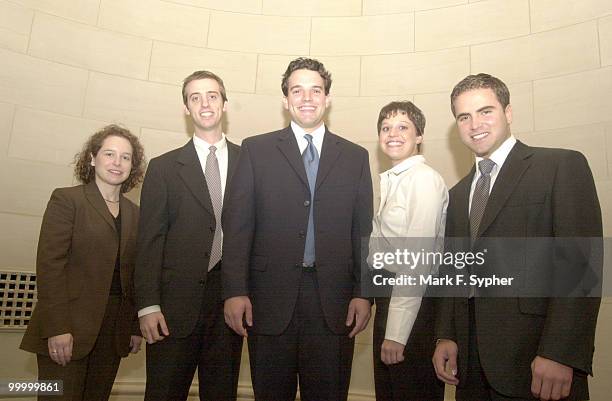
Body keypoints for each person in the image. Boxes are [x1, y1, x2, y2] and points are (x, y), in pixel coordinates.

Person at [432, 73, 602, 401]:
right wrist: (445, 336)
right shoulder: (457, 194)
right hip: (470, 370)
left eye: (486, 111)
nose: (474, 123)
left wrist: (560, 352)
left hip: (536, 365)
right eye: (463, 116)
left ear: (508, 113)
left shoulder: (559, 166)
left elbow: (580, 266)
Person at [222, 57, 373, 401]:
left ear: (328, 98)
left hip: (333, 306)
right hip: (268, 302)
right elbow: (238, 226)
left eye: (315, 90)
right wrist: (234, 290)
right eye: (297, 90)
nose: (307, 98)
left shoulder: (355, 156)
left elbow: (362, 232)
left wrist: (364, 293)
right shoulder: (255, 150)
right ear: (285, 100)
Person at [134, 70, 242, 401]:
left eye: (212, 95)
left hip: (229, 307)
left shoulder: (250, 162)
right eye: (195, 97)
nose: (204, 103)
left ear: (224, 104)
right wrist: (147, 305)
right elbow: (149, 242)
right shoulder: (163, 168)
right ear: (186, 109)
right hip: (171, 310)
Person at [20, 124, 146, 401]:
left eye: (126, 157)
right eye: (109, 154)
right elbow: (50, 267)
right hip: (68, 327)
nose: (117, 162)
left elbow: (136, 275)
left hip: (113, 332)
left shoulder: (136, 214)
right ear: (92, 158)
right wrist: (57, 328)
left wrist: (134, 327)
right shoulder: (67, 200)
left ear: (133, 166)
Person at [370, 101, 447, 401]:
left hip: (412, 309)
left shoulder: (423, 180)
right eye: (386, 128)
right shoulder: (394, 180)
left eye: (403, 127)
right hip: (390, 300)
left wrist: (396, 333)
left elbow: (416, 261)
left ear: (419, 136)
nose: (393, 134)